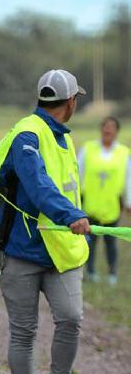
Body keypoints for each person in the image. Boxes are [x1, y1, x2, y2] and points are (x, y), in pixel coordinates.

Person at [0, 69, 91, 374]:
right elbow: (38, 185)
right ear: (70, 102)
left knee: (71, 317)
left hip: (62, 250)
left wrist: (71, 219)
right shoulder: (27, 135)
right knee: (24, 332)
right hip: (21, 251)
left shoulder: (60, 137)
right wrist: (71, 215)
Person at [78, 116, 131, 285]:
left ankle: (112, 274)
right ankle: (91, 272)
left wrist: (129, 202)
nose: (108, 130)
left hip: (111, 205)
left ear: (117, 131)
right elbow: (77, 173)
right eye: (105, 126)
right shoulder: (88, 148)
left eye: (112, 127)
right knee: (90, 242)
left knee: (111, 241)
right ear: (101, 129)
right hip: (90, 204)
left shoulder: (124, 153)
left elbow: (129, 179)